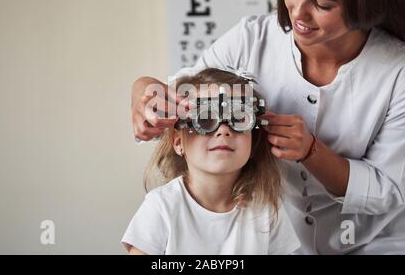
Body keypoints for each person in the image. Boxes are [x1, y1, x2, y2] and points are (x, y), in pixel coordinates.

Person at [131, 0, 405, 254]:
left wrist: (312, 152)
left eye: (322, 5)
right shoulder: (252, 39)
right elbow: (186, 88)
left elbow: (383, 192)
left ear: (368, 1)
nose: (298, 13)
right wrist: (144, 90)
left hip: (381, 243)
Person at [123, 68, 301, 254]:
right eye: (205, 119)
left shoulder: (266, 210)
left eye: (239, 119)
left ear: (253, 143)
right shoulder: (161, 207)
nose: (223, 131)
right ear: (178, 142)